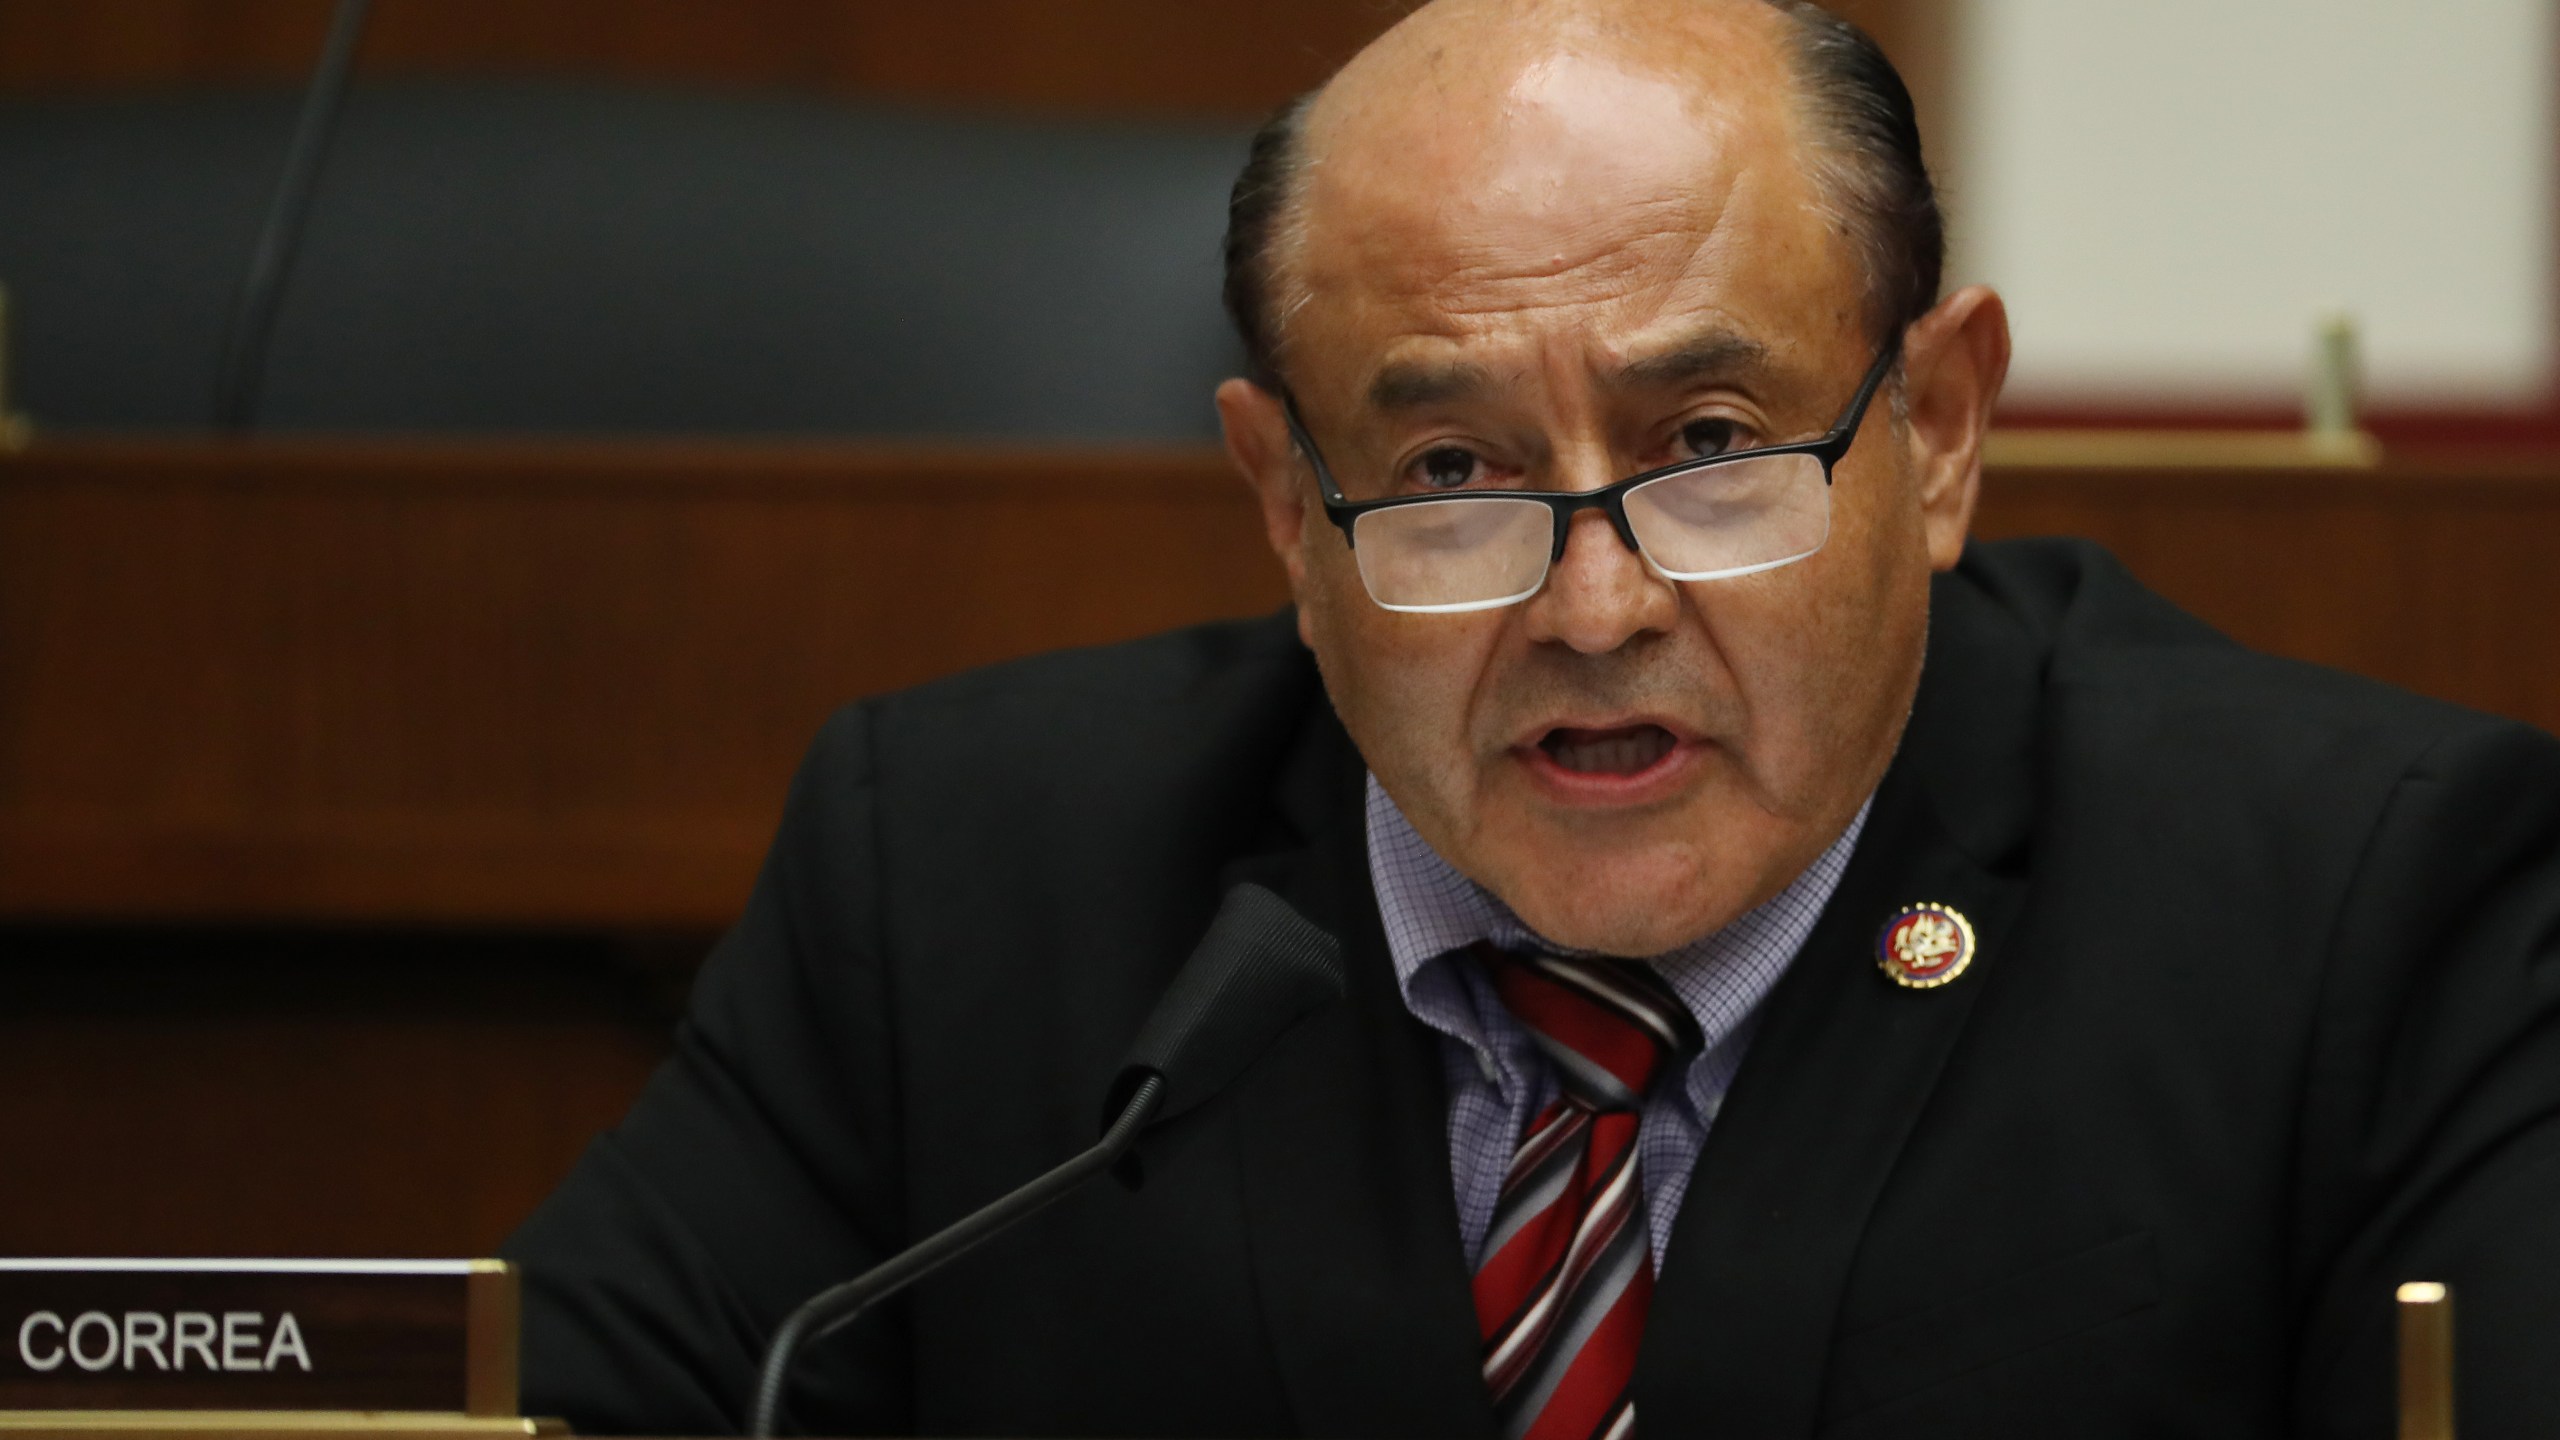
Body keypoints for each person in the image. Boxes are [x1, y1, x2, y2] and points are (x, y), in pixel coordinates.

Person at [503, 0, 2560, 1434]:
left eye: (1713, 441)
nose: (1595, 604)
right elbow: (534, 1406)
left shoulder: (2360, 911)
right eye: (1451, 479)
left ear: (1932, 435)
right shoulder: (955, 881)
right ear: (1283, 512)